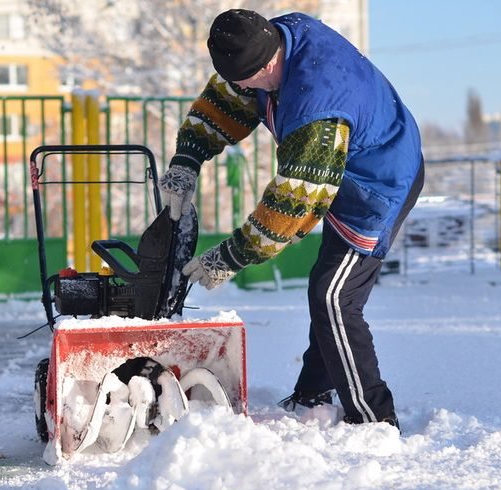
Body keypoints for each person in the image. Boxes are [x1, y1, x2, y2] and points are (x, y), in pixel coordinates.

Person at [159, 8, 424, 429]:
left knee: (334, 297)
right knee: (326, 290)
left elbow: (293, 206)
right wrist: (187, 159)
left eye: (246, 82)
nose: (243, 90)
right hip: (344, 171)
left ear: (267, 65)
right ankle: (312, 396)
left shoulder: (318, 106)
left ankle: (374, 418)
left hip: (379, 183)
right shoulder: (270, 39)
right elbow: (227, 100)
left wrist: (230, 256)